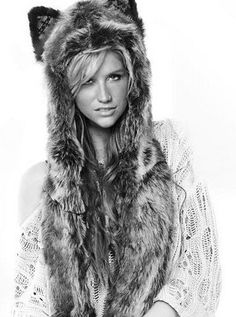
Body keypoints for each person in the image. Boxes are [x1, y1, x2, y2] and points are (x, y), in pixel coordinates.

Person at [12, 1, 221, 316]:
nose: (104, 96)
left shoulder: (170, 145)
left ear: (133, 76)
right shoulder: (42, 181)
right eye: (87, 81)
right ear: (65, 91)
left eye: (114, 76)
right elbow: (32, 298)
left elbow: (199, 266)